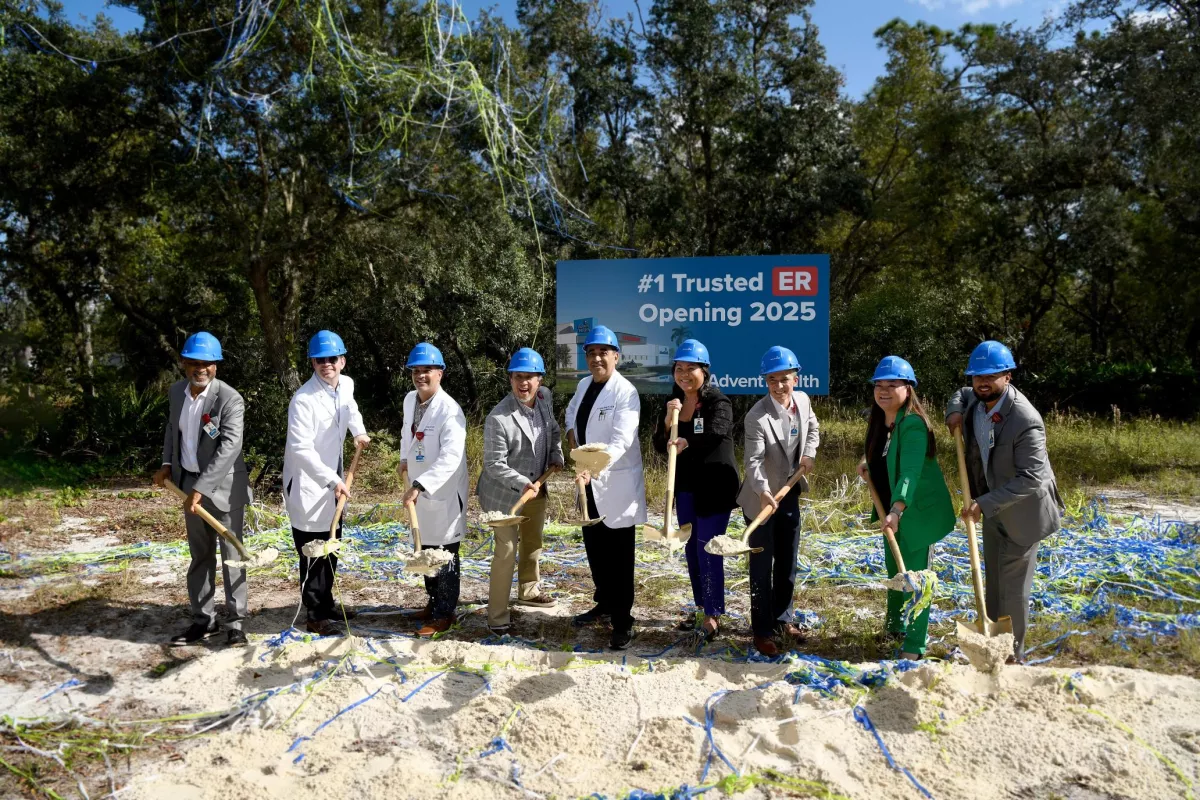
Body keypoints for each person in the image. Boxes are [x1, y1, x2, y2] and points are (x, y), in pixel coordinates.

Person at [946, 340, 1063, 662]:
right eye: (977, 376)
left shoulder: (1025, 420)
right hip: (992, 506)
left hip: (1022, 513)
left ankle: (1012, 655)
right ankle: (991, 643)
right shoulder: (975, 399)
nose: (982, 382)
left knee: (1012, 589)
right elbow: (959, 394)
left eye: (992, 375)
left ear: (1008, 376)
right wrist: (954, 413)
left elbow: (1032, 478)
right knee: (994, 580)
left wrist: (983, 504)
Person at [153, 332, 252, 647]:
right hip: (187, 486)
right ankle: (204, 621)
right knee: (200, 556)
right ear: (183, 363)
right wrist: (167, 464)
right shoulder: (176, 393)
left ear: (216, 366)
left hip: (224, 489)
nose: (201, 369)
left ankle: (236, 624)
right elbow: (172, 429)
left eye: (207, 364)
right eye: (194, 363)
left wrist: (202, 487)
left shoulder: (229, 399)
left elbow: (229, 447)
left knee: (232, 555)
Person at [855, 356, 955, 660]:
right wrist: (868, 464)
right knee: (894, 571)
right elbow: (886, 456)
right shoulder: (883, 420)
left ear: (908, 389)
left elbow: (910, 472)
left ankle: (914, 647)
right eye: (879, 385)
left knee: (915, 578)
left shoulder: (912, 424)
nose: (884, 391)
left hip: (914, 513)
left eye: (893, 385)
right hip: (892, 511)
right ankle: (895, 627)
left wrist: (897, 510)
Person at [281, 330, 371, 637]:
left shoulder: (346, 384)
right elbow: (301, 450)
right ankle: (315, 615)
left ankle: (327, 601)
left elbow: (351, 410)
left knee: (332, 544)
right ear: (312, 363)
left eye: (332, 359)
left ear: (342, 361)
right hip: (309, 482)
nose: (326, 365)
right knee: (314, 551)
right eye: (320, 360)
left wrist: (358, 431)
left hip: (333, 479)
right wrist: (332, 479)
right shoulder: (303, 400)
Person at [564, 324, 647, 650]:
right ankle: (604, 604)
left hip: (615, 483)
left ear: (616, 356)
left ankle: (623, 621)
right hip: (587, 481)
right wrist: (574, 443)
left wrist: (591, 466)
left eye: (603, 352)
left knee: (619, 555)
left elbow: (621, 440)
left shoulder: (626, 392)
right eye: (591, 352)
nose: (597, 358)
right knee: (595, 548)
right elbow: (571, 415)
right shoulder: (584, 384)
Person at [651, 339, 738, 642]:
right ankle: (702, 606)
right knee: (691, 549)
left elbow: (718, 432)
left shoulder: (719, 401)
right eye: (679, 368)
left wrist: (688, 442)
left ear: (705, 370)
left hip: (715, 487)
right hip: (685, 488)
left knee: (709, 549)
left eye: (691, 368)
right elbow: (660, 445)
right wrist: (666, 421)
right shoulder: (674, 401)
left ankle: (714, 614)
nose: (684, 374)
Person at [736, 346, 819, 657]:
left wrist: (809, 453)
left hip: (790, 493)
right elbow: (753, 461)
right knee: (761, 565)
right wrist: (763, 492)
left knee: (787, 561)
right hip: (761, 500)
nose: (779, 385)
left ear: (795, 378)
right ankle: (761, 630)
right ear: (766, 381)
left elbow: (813, 428)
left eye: (785, 379)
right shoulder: (757, 416)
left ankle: (783, 619)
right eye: (773, 380)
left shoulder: (803, 401)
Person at [477, 347, 565, 634]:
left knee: (532, 541)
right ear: (510, 379)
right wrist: (520, 483)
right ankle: (497, 616)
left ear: (539, 379)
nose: (523, 383)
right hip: (504, 493)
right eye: (517, 377)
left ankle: (528, 590)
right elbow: (492, 464)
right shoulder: (498, 418)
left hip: (537, 485)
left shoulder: (545, 398)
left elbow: (552, 430)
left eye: (529, 377)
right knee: (506, 550)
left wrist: (556, 455)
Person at [400, 342, 470, 637]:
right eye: (416, 370)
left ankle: (445, 612)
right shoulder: (410, 400)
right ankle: (432, 602)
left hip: (442, 493)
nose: (421, 376)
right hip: (417, 487)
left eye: (427, 370)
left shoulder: (450, 411)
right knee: (425, 547)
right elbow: (407, 432)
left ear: (440, 373)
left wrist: (421, 484)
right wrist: (404, 460)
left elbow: (450, 458)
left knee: (445, 552)